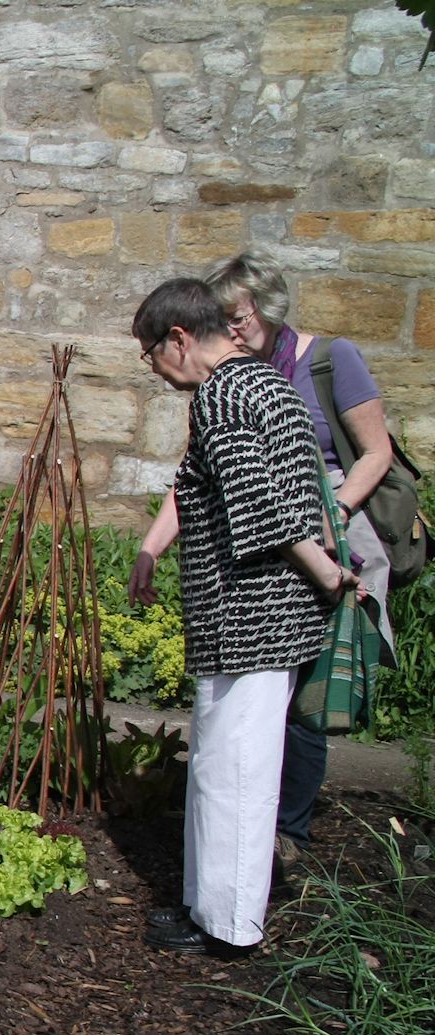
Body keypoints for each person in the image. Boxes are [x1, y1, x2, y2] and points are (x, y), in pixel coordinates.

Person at [126, 279, 358, 957]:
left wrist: (325, 573)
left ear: (178, 339)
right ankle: (211, 909)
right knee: (231, 767)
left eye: (150, 353)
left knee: (234, 773)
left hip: (246, 615)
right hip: (267, 614)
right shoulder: (267, 383)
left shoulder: (223, 394)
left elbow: (261, 505)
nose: (154, 368)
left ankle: (227, 927)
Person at [205, 252, 397, 858]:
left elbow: (376, 452)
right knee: (267, 686)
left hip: (332, 539)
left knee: (308, 692)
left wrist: (333, 511)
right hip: (269, 547)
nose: (230, 331)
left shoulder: (330, 359)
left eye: (237, 318)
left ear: (267, 307)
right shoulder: (232, 376)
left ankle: (288, 830)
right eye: (220, 321)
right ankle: (251, 817)